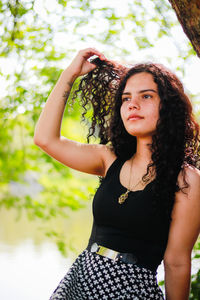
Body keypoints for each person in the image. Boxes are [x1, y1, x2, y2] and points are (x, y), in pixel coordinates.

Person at [34, 48, 200, 300]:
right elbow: (45, 139)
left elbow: (176, 262)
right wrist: (70, 75)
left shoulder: (186, 180)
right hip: (79, 283)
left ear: (169, 107)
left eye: (146, 96)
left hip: (132, 292)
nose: (132, 104)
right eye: (125, 98)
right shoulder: (108, 159)